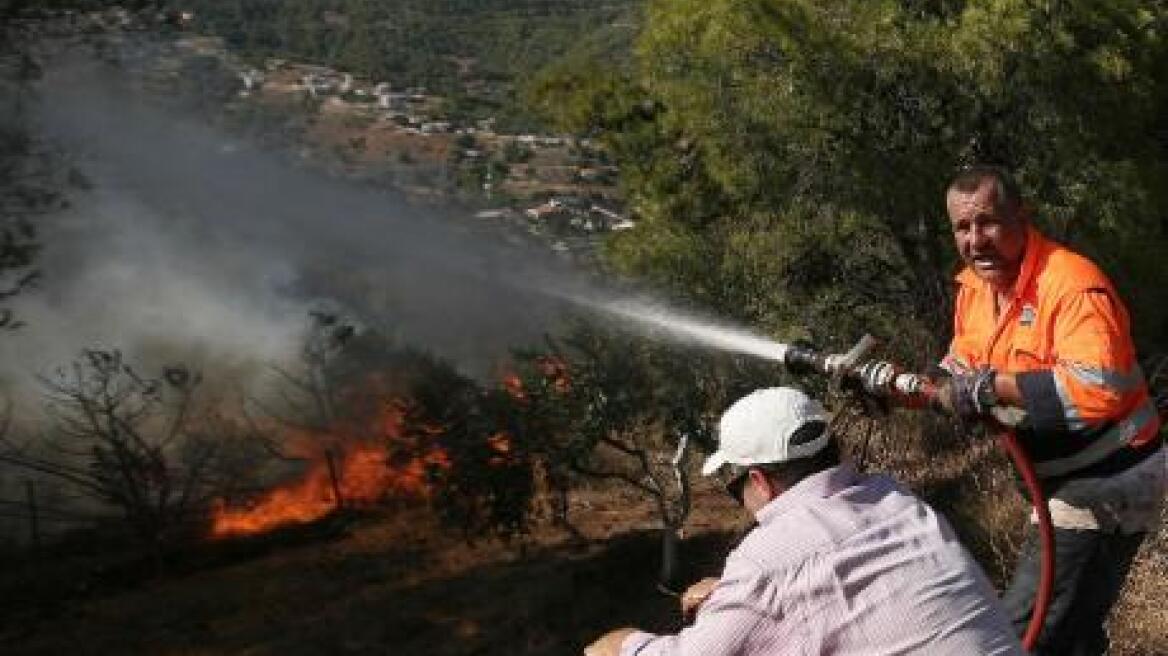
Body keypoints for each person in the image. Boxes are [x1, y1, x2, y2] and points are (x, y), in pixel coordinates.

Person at [584, 387, 1023, 656]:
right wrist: (732, 594)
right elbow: (838, 587)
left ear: (759, 480)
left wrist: (620, 645)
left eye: (734, 485)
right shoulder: (896, 500)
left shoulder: (767, 565)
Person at [934, 165, 1166, 655]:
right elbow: (964, 367)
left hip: (1108, 480)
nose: (977, 240)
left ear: (1022, 216)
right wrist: (928, 387)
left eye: (989, 222)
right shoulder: (976, 290)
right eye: (962, 227)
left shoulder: (1072, 284)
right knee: (1073, 627)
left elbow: (1097, 389)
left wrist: (992, 387)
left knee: (1026, 637)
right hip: (1061, 478)